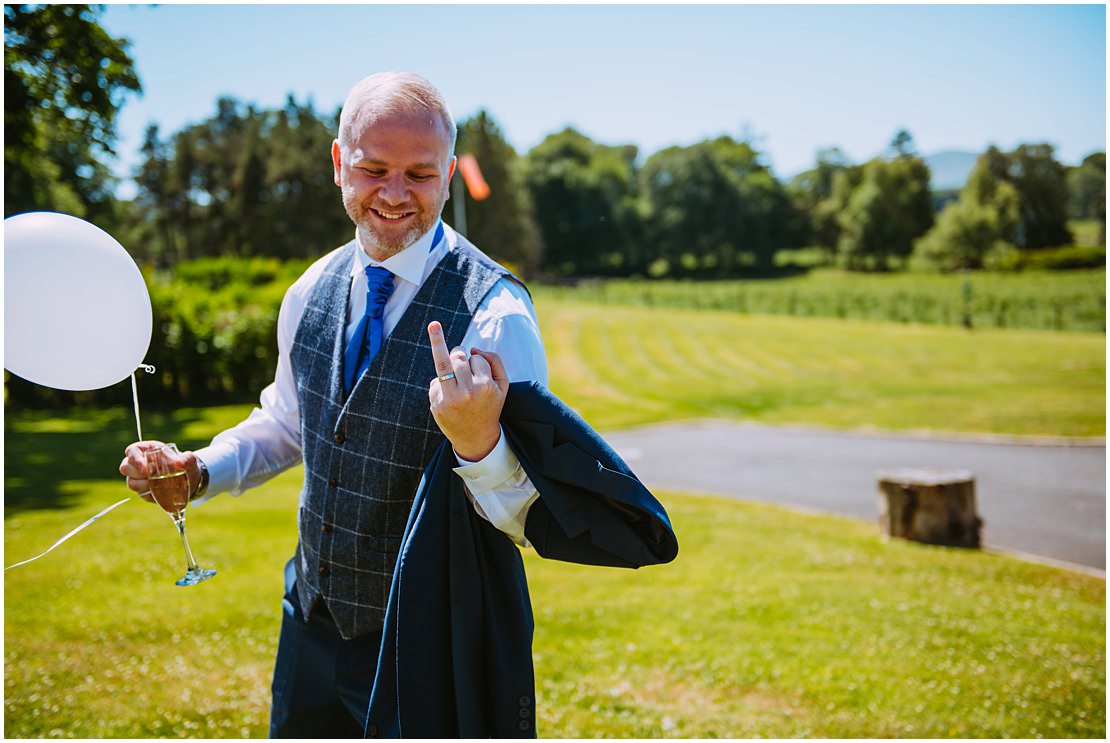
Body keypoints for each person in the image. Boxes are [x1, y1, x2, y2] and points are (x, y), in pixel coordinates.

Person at [119, 71, 548, 737]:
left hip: (431, 640)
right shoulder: (309, 290)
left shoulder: (495, 314)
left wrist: (479, 444)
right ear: (337, 161)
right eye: (374, 168)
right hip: (312, 622)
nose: (397, 194)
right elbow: (290, 422)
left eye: (422, 174)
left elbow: (531, 512)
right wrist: (199, 468)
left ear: (447, 176)